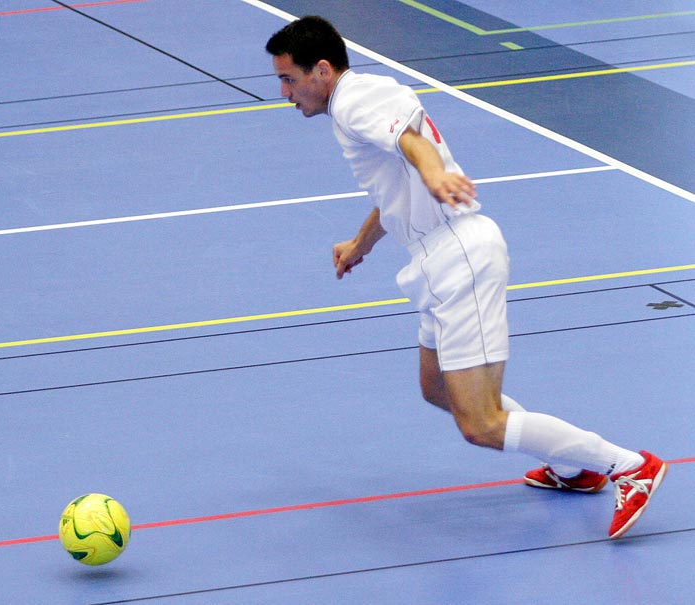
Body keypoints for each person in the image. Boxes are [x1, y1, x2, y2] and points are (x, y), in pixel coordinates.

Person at [265, 15, 667, 539]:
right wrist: (360, 243)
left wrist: (435, 174)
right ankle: (573, 467)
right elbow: (395, 184)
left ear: (321, 70)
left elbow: (412, 145)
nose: (283, 92)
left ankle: (628, 466)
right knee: (437, 388)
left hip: (458, 258)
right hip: (437, 261)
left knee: (479, 424)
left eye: (289, 79)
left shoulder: (352, 100)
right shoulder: (358, 100)